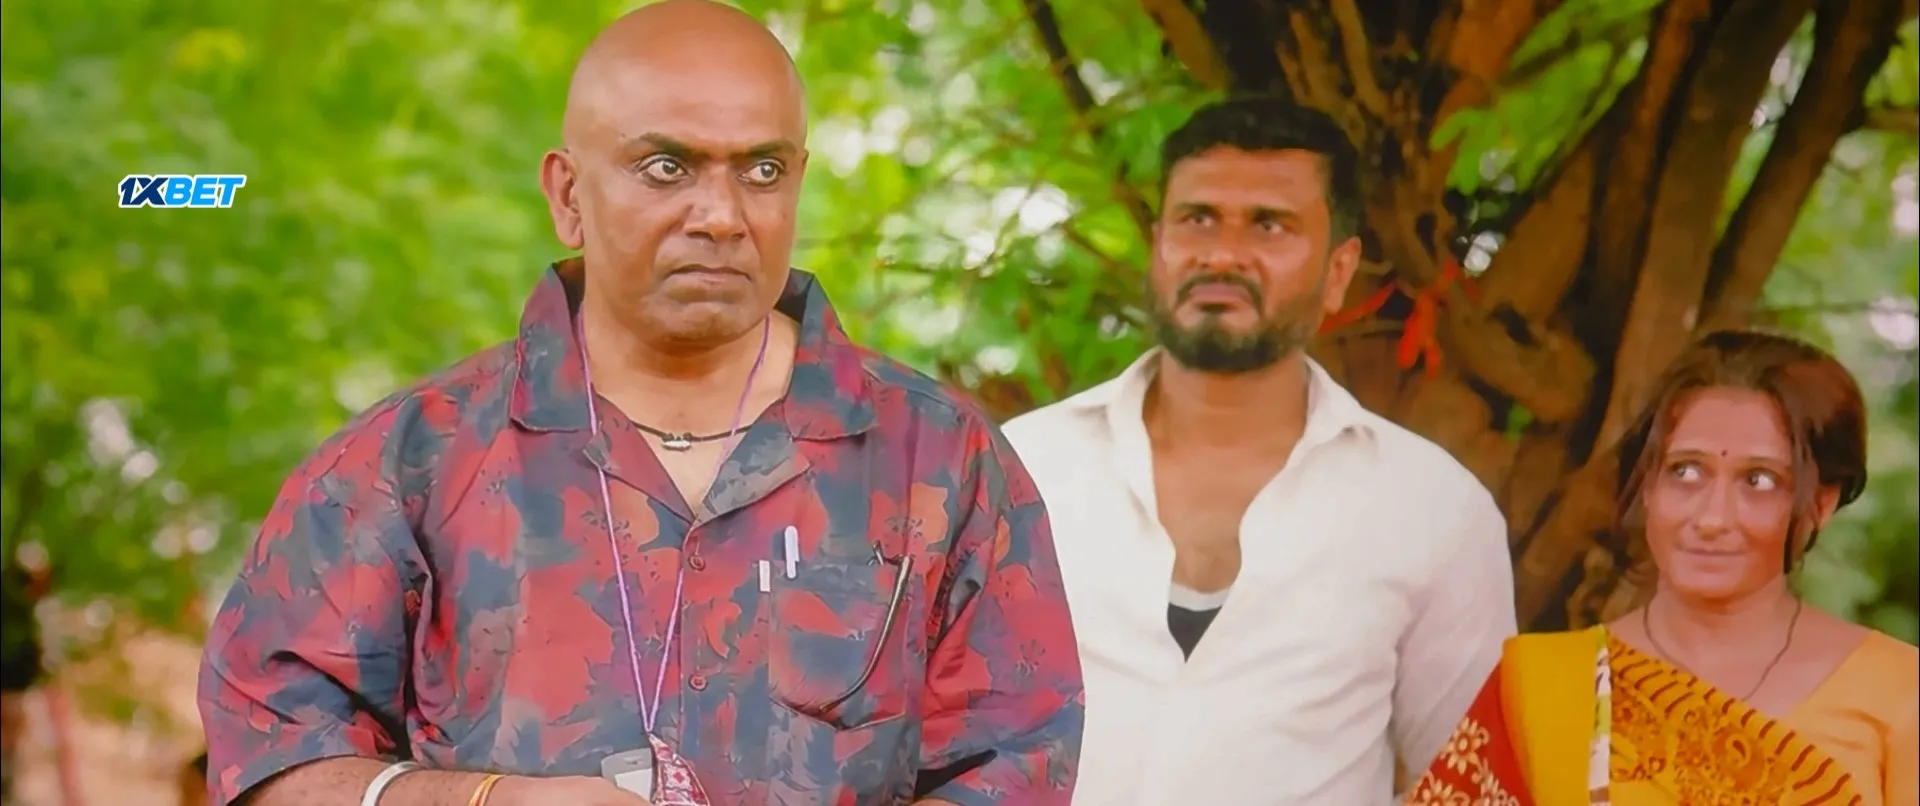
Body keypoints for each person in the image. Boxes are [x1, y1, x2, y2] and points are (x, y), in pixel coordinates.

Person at [196, 3, 1084, 805]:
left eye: (762, 170)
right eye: (667, 167)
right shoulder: (408, 463)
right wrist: (484, 802)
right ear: (568, 195)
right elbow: (269, 760)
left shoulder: (937, 458)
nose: (721, 215)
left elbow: (1017, 763)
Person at [1001, 96, 1518, 804]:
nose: (1221, 255)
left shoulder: (1431, 509)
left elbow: (1470, 789)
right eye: (1197, 219)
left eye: (1269, 225)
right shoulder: (1024, 467)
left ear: (1339, 271)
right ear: (1158, 243)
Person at [1403, 329, 1919, 805]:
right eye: (1685, 471)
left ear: (1820, 505)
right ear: (1648, 485)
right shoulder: (1542, 688)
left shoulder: (1900, 693)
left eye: (1758, 480)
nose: (1711, 518)